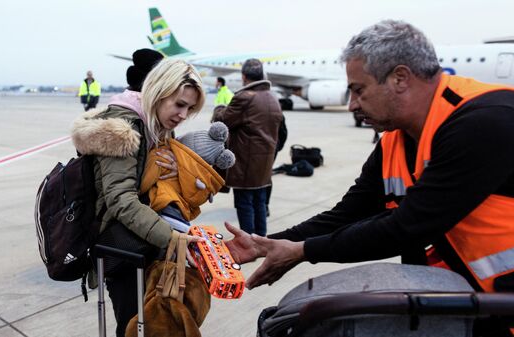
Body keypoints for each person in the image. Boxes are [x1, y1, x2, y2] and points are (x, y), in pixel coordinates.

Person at [225, 20, 514, 336]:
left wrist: (303, 251)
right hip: (469, 302)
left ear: (399, 78)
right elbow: (348, 213)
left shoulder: (484, 121)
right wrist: (266, 244)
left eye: (358, 90)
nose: (352, 105)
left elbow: (408, 227)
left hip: (501, 306)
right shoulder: (396, 138)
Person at [71, 57, 206, 337]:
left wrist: (174, 169)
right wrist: (172, 238)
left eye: (189, 108)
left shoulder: (153, 126)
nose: (183, 114)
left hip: (144, 240)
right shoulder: (124, 129)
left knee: (152, 324)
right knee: (134, 326)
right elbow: (121, 200)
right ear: (158, 91)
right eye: (179, 104)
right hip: (121, 247)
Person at [212, 58, 283, 236]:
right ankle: (260, 239)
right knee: (259, 201)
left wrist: (219, 108)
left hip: (246, 161)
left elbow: (223, 120)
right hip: (265, 161)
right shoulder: (272, 98)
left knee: (244, 202)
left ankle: (248, 242)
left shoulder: (245, 97)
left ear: (244, 76)